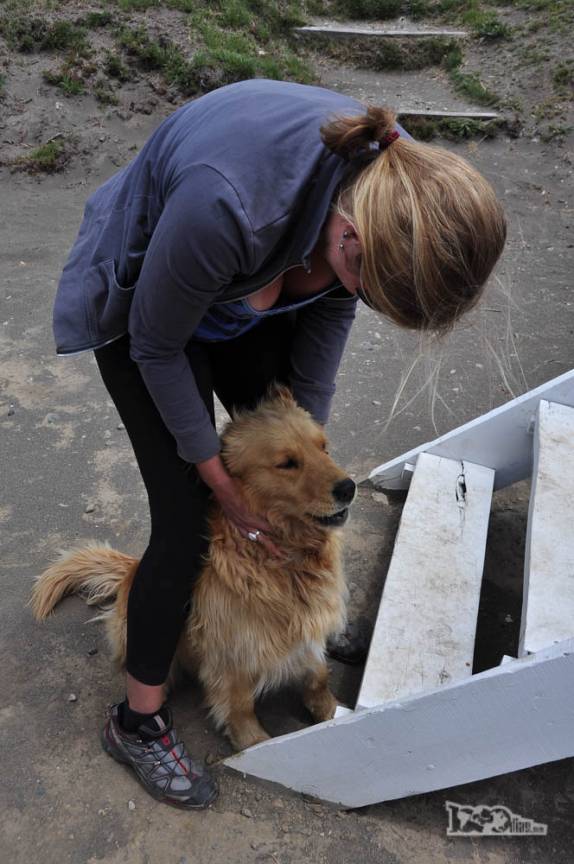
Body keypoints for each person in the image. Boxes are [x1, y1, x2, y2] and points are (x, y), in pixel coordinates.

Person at [52, 78, 506, 810]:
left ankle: (297, 630)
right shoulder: (226, 203)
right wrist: (222, 483)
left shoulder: (400, 185)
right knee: (186, 516)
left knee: (285, 464)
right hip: (149, 314)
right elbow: (158, 346)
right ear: (352, 239)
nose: (361, 299)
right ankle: (136, 722)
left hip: (250, 284)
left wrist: (304, 437)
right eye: (367, 284)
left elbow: (328, 316)